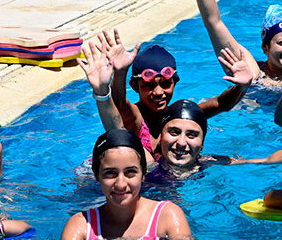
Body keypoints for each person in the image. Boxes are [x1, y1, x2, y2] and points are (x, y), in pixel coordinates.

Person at [81, 31, 252, 160]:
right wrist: (120, 72)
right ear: (134, 86)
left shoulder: (178, 116)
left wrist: (242, 87)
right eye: (149, 85)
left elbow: (221, 104)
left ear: (175, 82)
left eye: (165, 84)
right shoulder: (134, 117)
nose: (158, 92)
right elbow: (117, 106)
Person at [58, 129, 203, 240]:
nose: (121, 184)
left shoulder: (166, 215)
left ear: (143, 174)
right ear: (97, 176)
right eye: (110, 173)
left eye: (130, 172)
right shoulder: (82, 223)